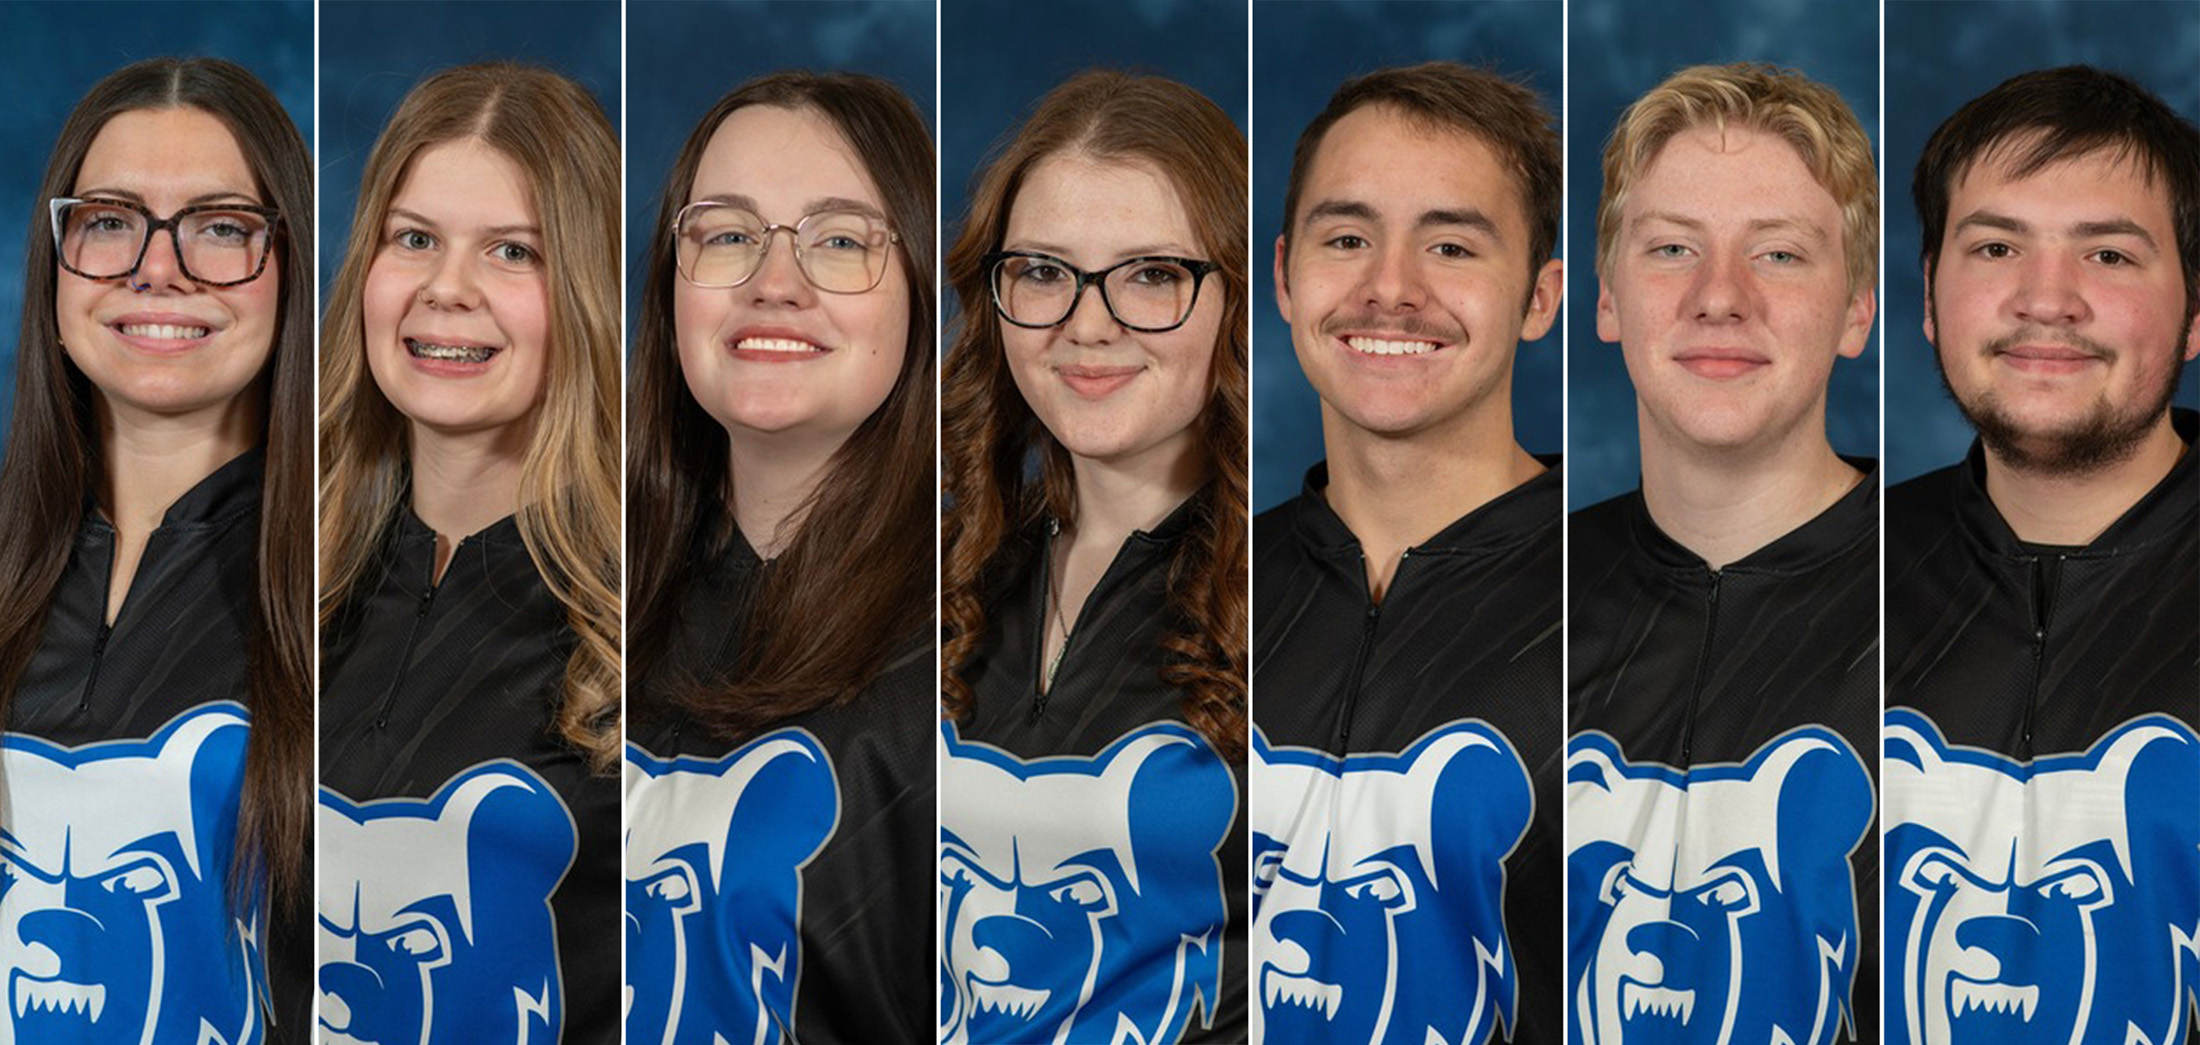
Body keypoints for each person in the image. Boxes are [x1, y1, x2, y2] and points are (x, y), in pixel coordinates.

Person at [1567, 62, 1881, 1045]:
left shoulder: (1950, 600)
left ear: (1857, 308)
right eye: (1672, 248)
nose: (1719, 297)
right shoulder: (1514, 601)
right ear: (1607, 297)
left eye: (1778, 254)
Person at [1884, 65, 2199, 1045]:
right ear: (1929, 297)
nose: (2046, 299)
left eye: (2108, 254)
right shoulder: (1825, 577)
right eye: (1996, 247)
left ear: (2197, 313)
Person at [1251, 62, 1564, 1045]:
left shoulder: (1632, 601)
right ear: (1284, 277)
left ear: (1540, 297)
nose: (1390, 288)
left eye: (1451, 245)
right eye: (1347, 239)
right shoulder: (1196, 589)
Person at [0, 57, 312, 1042]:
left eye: (219, 227)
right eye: (110, 220)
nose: (157, 268)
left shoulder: (356, 583)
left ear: (290, 266)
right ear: (55, 263)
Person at [623, 71, 935, 1044]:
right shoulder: (571, 588)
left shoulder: (986, 628)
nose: (775, 281)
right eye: (727, 234)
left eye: (840, 241)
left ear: (921, 295)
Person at [938, 70, 1249, 1045]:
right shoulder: (948, 571)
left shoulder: (1301, 591)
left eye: (1151, 275)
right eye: (1043, 271)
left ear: (1238, 297)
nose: (1087, 322)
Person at [315, 63, 620, 1043]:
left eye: (511, 251)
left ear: (583, 289)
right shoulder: (280, 577)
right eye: (414, 239)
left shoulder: (656, 612)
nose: (447, 289)